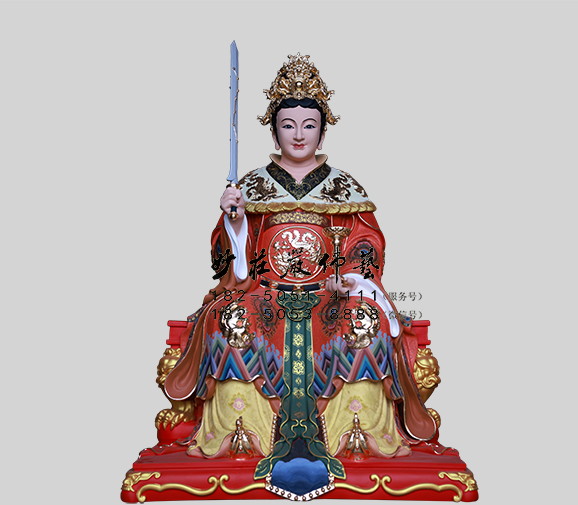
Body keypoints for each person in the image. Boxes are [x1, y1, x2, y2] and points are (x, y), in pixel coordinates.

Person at [164, 54, 436, 483]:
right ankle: (242, 436)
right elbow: (227, 259)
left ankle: (357, 436)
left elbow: (367, 241)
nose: (298, 134)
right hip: (264, 292)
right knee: (230, 319)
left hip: (331, 293)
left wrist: (354, 277)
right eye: (288, 124)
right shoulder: (250, 186)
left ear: (322, 130)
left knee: (365, 322)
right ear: (274, 130)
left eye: (308, 125)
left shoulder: (344, 186)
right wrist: (235, 221)